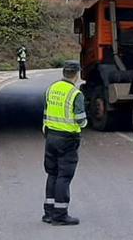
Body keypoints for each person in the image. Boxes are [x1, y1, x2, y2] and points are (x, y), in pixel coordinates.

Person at [41, 60, 87, 226]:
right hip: (67, 139)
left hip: (51, 136)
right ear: (77, 74)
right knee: (64, 176)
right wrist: (84, 124)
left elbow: (46, 112)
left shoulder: (51, 89)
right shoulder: (75, 94)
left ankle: (48, 212)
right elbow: (81, 120)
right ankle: (60, 215)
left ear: (64, 72)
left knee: (52, 174)